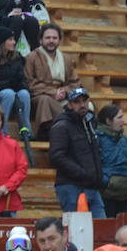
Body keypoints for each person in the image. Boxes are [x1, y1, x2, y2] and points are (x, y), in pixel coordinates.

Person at [49, 87, 108, 220]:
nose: (82, 105)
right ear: (69, 105)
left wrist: (100, 176)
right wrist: (81, 173)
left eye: (84, 101)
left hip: (92, 185)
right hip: (71, 186)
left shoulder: (90, 123)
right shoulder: (62, 126)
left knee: (102, 228)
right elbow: (56, 157)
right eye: (77, 102)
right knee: (77, 231)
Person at [25, 24, 80, 135]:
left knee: (87, 105)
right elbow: (29, 83)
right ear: (41, 40)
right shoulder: (32, 57)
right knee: (45, 100)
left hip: (64, 95)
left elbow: (75, 82)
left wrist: (64, 91)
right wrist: (53, 92)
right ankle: (46, 132)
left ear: (59, 41)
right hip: (39, 96)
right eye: (48, 38)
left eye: (54, 38)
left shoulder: (66, 58)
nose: (51, 41)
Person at [96, 104, 127, 217]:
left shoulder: (124, 140)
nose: (123, 121)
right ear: (108, 121)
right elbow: (94, 163)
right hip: (106, 193)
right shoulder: (97, 138)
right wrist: (105, 181)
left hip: (125, 193)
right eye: (119, 117)